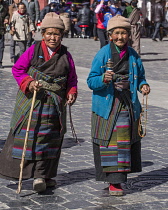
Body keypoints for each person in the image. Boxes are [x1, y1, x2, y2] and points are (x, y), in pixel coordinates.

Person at [0, 12, 78, 193]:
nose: (53, 37)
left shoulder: (66, 55)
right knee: (31, 137)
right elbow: (18, 69)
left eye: (57, 34)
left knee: (50, 140)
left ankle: (43, 175)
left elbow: (72, 79)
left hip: (54, 105)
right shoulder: (33, 50)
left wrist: (71, 91)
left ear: (62, 35)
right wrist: (29, 82)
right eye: (49, 33)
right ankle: (31, 174)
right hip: (32, 102)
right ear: (43, 34)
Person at [87, 15, 150, 196]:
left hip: (126, 104)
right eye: (117, 33)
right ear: (110, 35)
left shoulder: (133, 55)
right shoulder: (103, 54)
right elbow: (91, 81)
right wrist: (103, 79)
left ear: (129, 35)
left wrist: (142, 85)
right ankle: (112, 181)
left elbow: (141, 77)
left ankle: (118, 181)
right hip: (107, 105)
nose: (121, 37)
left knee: (122, 143)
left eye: (124, 33)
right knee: (108, 143)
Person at [0, 0, 9, 69]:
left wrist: (6, 18)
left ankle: (0, 62)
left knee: (1, 46)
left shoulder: (5, 4)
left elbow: (7, 14)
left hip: (1, 28)